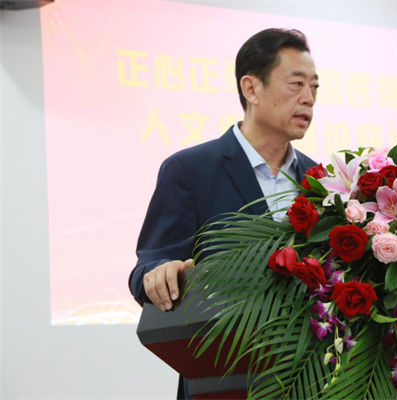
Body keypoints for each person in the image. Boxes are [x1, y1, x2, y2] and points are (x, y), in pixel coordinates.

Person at [128, 28, 319, 399]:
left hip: (306, 380)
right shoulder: (190, 170)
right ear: (251, 88)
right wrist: (160, 273)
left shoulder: (319, 181)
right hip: (222, 377)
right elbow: (149, 264)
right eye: (296, 84)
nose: (308, 98)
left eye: (314, 87)